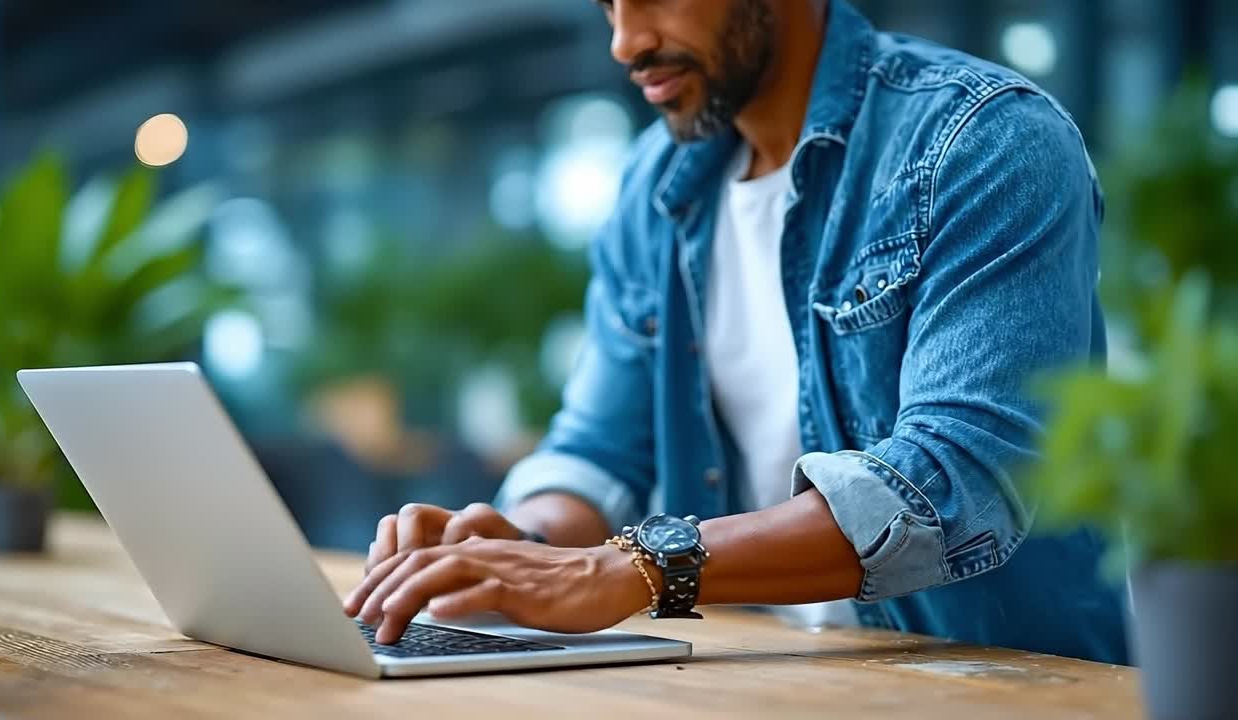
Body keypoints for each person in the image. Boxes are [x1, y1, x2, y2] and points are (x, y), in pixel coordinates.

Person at [343, 0, 1128, 664]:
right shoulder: (656, 184)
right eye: (607, 3)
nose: (626, 40)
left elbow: (954, 481)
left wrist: (633, 568)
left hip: (981, 688)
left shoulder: (984, 141)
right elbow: (599, 450)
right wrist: (523, 542)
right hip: (751, 677)